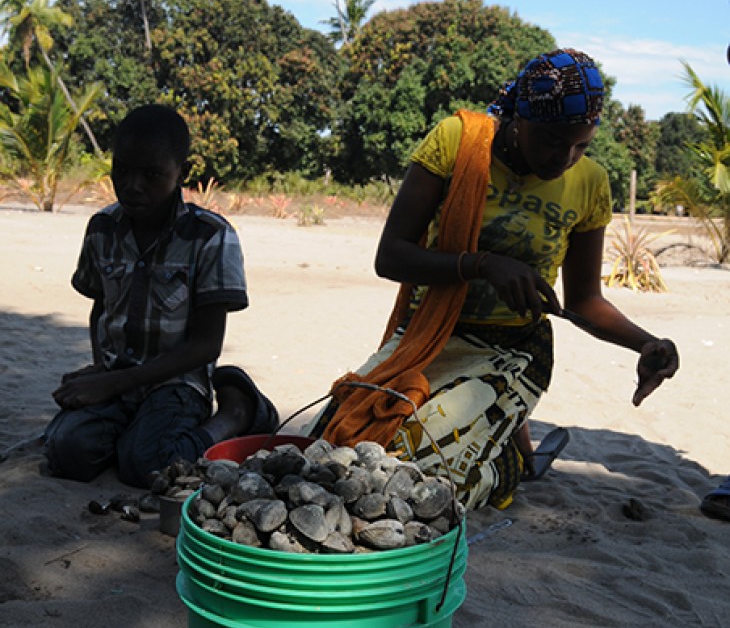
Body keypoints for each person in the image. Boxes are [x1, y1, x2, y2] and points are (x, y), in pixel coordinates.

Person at [311, 49, 679, 511]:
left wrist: (645, 344)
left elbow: (583, 300)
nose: (564, 158)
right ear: (517, 119)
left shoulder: (590, 183)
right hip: (430, 334)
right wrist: (480, 264)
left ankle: (504, 470)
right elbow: (391, 257)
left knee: (419, 476)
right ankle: (504, 442)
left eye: (580, 145)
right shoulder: (459, 144)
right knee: (332, 447)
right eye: (550, 141)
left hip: (514, 349)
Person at [44, 104, 278, 488]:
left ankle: (236, 414)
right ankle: (133, 427)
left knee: (146, 465)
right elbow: (99, 307)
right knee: (65, 450)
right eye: (122, 170)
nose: (133, 184)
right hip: (118, 376)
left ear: (181, 174)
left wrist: (111, 385)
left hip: (178, 383)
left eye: (151, 174)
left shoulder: (211, 236)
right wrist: (102, 370)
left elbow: (206, 346)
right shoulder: (102, 228)